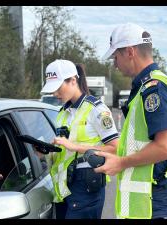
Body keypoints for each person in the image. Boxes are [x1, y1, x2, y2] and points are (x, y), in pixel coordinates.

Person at [93, 23, 167, 219]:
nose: (115, 64)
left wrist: (122, 163)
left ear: (130, 52)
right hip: (150, 199)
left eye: (116, 57)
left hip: (154, 200)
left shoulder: (154, 87)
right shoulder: (145, 86)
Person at [40, 59, 119, 219]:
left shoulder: (96, 109)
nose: (55, 94)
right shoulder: (62, 112)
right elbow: (65, 151)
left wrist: (76, 147)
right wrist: (45, 152)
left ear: (73, 81)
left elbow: (115, 147)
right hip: (64, 184)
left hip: (86, 183)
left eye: (57, 88)